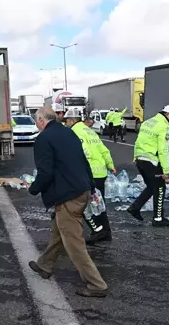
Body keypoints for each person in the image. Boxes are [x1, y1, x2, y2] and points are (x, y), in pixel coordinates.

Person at [28, 106, 109, 298]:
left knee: (73, 242)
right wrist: (91, 186)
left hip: (67, 196)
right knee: (60, 230)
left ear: (41, 120)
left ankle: (97, 284)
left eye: (36, 122)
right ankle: (44, 265)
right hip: (81, 190)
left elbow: (45, 172)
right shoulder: (68, 132)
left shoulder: (43, 140)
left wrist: (33, 188)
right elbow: (84, 161)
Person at [64, 108, 116, 244]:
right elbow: (104, 149)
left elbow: (83, 153)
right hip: (101, 172)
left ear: (71, 120)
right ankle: (106, 231)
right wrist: (111, 165)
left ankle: (97, 230)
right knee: (99, 203)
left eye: (66, 121)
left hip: (88, 173)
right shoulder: (90, 131)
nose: (66, 124)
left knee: (85, 204)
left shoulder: (74, 132)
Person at [127, 105, 169, 227]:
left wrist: (136, 157)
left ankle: (135, 208)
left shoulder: (148, 122)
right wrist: (166, 171)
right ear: (168, 114)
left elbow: (138, 141)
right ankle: (158, 218)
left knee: (151, 186)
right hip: (152, 161)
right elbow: (163, 150)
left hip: (141, 159)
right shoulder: (164, 126)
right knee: (160, 187)